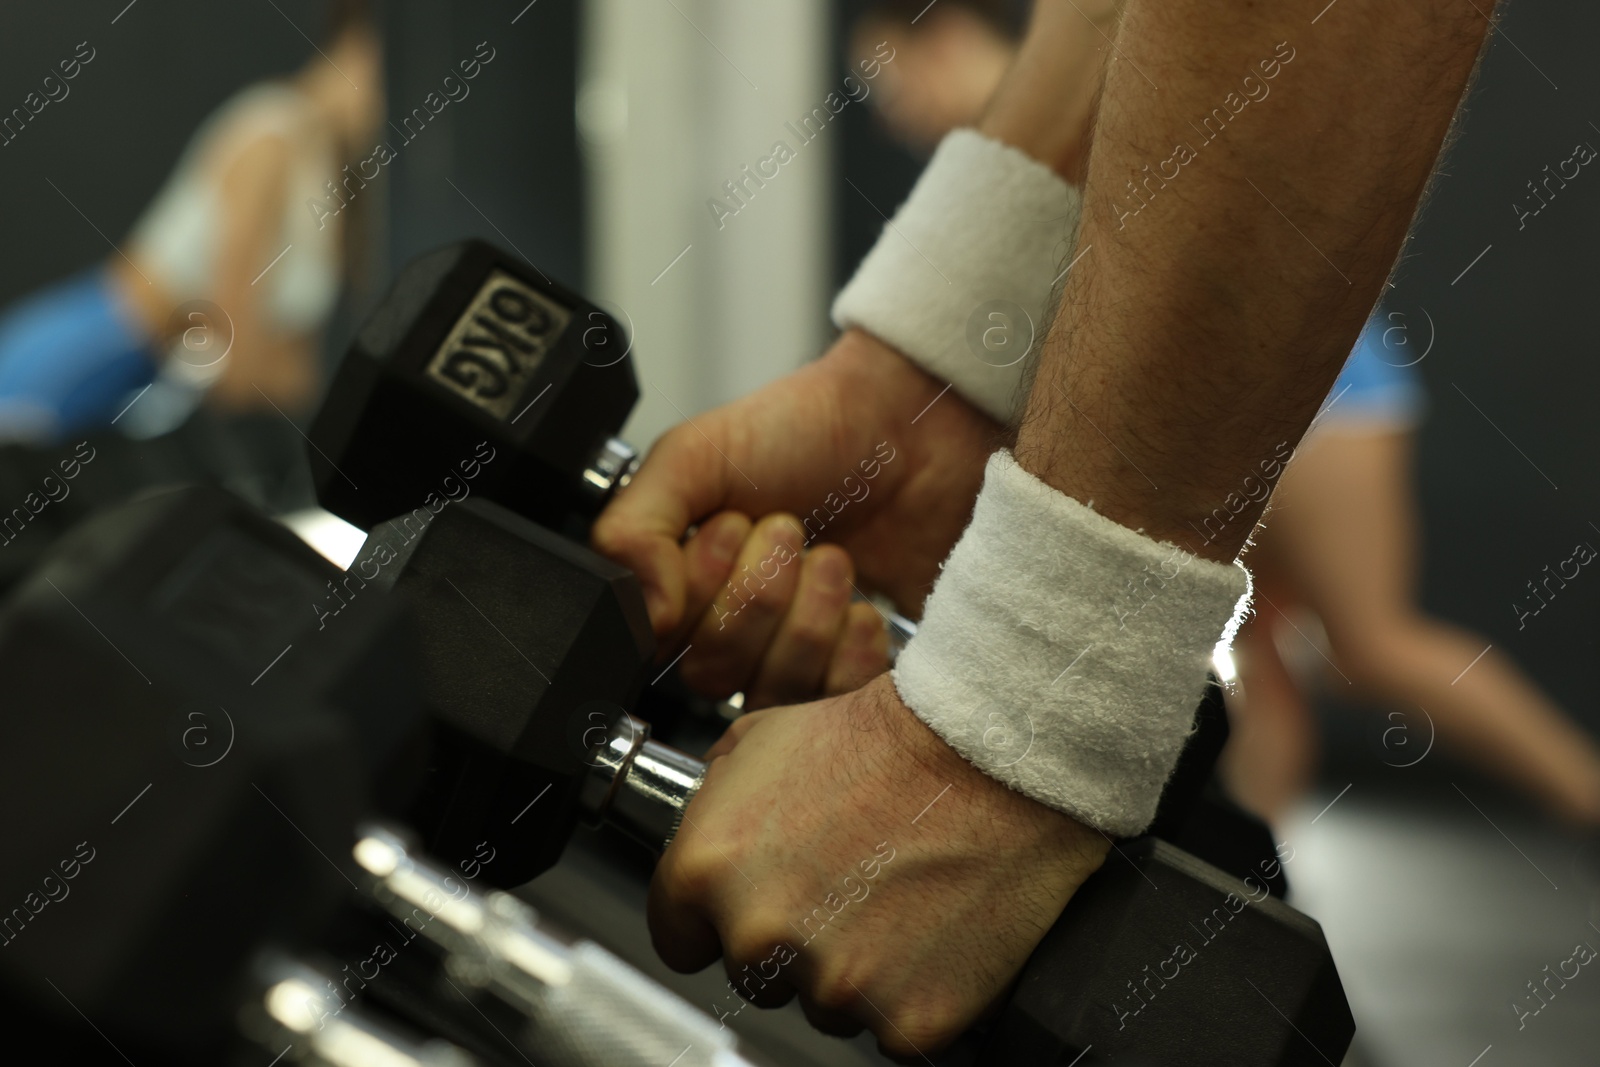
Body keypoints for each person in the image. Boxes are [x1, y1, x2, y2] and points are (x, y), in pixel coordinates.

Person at [591, 0, 1502, 1054]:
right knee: (1275, 669)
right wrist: (930, 389)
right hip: (1215, 344)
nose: (890, 103)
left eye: (890, 75)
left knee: (1370, 641)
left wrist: (1015, 712)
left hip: (1299, 355)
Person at [1222, 316, 1600, 825]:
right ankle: (1240, 878)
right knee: (1254, 647)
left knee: (1370, 648)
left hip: (1317, 377)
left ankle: (1588, 796)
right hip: (1249, 375)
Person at [0, 1, 383, 444]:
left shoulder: (331, 176)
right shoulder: (272, 132)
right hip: (90, 351)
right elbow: (231, 334)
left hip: (143, 390)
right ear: (360, 47)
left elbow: (289, 362)